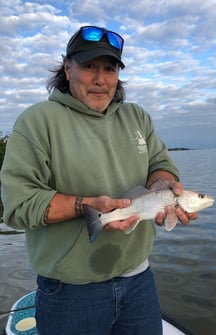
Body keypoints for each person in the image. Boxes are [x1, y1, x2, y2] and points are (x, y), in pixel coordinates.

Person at [0, 25, 198, 335]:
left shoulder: (138, 117)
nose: (100, 79)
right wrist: (86, 206)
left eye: (109, 68)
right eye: (88, 66)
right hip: (71, 292)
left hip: (140, 280)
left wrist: (163, 187)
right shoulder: (37, 121)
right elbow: (18, 204)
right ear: (67, 68)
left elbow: (160, 164)